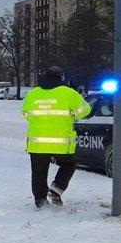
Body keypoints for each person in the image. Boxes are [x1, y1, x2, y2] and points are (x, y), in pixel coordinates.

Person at [21, 66, 91, 209]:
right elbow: (85, 111)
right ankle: (56, 189)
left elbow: (25, 113)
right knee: (68, 165)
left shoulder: (33, 94)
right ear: (61, 78)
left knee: (39, 171)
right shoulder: (69, 93)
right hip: (62, 143)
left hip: (37, 143)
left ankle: (40, 200)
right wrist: (72, 114)